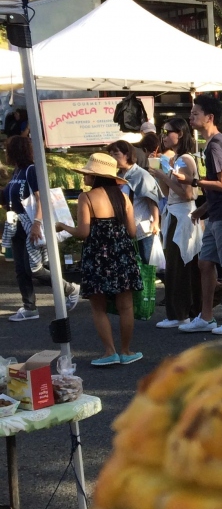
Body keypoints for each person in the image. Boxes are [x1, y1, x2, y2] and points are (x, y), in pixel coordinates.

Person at [54, 153, 144, 366]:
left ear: (95, 177)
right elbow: (132, 232)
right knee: (126, 306)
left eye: (87, 173)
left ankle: (109, 352)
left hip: (97, 256)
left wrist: (63, 226)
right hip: (122, 254)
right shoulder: (123, 197)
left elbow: (83, 232)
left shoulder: (86, 197)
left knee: (98, 306)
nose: (84, 176)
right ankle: (126, 350)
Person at [180, 94, 222, 335]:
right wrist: (204, 208)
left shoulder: (216, 145)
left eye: (195, 113)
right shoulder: (215, 143)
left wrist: (193, 181)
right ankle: (206, 317)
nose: (191, 117)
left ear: (209, 117)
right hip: (217, 212)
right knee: (205, 263)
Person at [1, 135, 80, 320]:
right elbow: (10, 200)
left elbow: (41, 198)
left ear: (16, 151)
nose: (5, 152)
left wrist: (37, 223)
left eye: (7, 149)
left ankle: (69, 288)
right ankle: (29, 307)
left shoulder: (31, 170)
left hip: (30, 224)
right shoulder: (16, 172)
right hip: (16, 225)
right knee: (20, 269)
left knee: (33, 268)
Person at [152, 118, 202, 329]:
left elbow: (188, 193)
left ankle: (181, 313)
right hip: (174, 213)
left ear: (179, 133)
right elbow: (169, 193)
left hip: (182, 215)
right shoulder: (176, 159)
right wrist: (161, 176)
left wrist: (164, 177)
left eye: (167, 132)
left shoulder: (185, 160)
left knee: (179, 266)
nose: (163, 136)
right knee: (176, 264)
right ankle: (184, 311)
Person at [106, 140, 162, 268]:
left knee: (149, 266)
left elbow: (151, 199)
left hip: (144, 229)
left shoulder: (141, 174)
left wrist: (155, 221)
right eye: (110, 154)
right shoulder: (117, 176)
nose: (112, 158)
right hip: (125, 230)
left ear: (127, 155)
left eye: (116, 154)